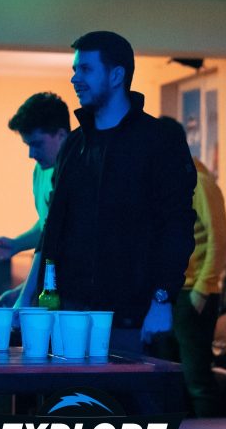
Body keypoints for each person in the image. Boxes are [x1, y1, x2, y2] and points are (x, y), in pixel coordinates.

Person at [33, 31, 196, 354]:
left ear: (116, 75)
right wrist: (31, 298)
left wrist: (162, 298)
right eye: (75, 69)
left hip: (131, 316)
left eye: (85, 69)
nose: (75, 78)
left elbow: (176, 224)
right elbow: (54, 229)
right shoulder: (74, 144)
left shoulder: (159, 139)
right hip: (69, 313)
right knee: (66, 388)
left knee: (127, 387)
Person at [148, 117, 226, 416]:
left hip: (191, 293)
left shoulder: (200, 183)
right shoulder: (167, 186)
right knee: (168, 378)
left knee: (196, 380)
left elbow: (221, 240)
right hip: (169, 294)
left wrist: (202, 289)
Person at [0, 93, 70, 307]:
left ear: (61, 135)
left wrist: (25, 295)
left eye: (37, 144)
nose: (31, 154)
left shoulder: (75, 174)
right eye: (28, 145)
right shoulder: (40, 171)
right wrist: (17, 245)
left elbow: (53, 236)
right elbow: (46, 226)